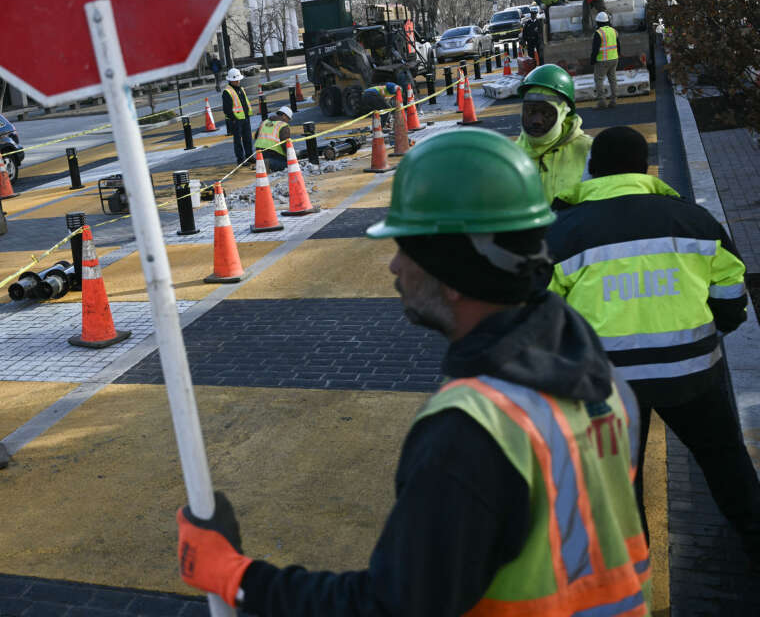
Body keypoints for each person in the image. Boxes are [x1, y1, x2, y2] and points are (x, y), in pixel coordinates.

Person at [176, 129, 651, 615]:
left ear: (454, 275)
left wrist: (233, 575)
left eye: (409, 249)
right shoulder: (603, 380)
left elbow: (392, 607)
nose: (394, 265)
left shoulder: (473, 431)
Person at [548, 126, 760, 569]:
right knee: (724, 460)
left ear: (594, 169)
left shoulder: (563, 232)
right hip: (694, 375)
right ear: (644, 167)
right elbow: (730, 292)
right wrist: (716, 328)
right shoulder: (693, 219)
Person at [515, 64, 592, 204]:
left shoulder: (588, 151)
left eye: (546, 113)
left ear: (564, 113)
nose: (536, 121)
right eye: (530, 112)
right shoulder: (510, 156)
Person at [221, 67, 254, 164]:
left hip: (245, 118)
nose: (238, 81)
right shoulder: (227, 92)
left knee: (247, 138)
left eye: (238, 79)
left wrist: (248, 115)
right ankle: (241, 159)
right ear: (230, 80)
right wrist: (233, 119)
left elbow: (244, 103)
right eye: (235, 80)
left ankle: (249, 156)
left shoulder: (241, 89)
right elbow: (226, 109)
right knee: (238, 141)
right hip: (235, 120)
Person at [590, 11, 619, 109]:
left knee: (599, 80)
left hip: (602, 60)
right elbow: (618, 45)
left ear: (598, 22)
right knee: (613, 80)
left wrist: (592, 60)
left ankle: (602, 102)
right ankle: (614, 101)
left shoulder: (598, 33)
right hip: (614, 59)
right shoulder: (614, 31)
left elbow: (595, 49)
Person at [253, 106, 293, 171]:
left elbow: (256, 136)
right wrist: (290, 156)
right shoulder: (283, 125)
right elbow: (285, 144)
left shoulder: (264, 122)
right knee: (290, 164)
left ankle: (263, 163)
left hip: (259, 152)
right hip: (273, 152)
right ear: (284, 116)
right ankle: (270, 163)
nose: (288, 121)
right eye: (288, 119)